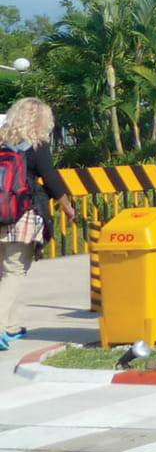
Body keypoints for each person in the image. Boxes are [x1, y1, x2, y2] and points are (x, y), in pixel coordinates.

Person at [0, 98, 76, 347]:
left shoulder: (2, 139)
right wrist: (66, 205)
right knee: (14, 270)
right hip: (23, 211)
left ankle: (10, 327)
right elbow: (49, 177)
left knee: (4, 271)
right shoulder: (36, 144)